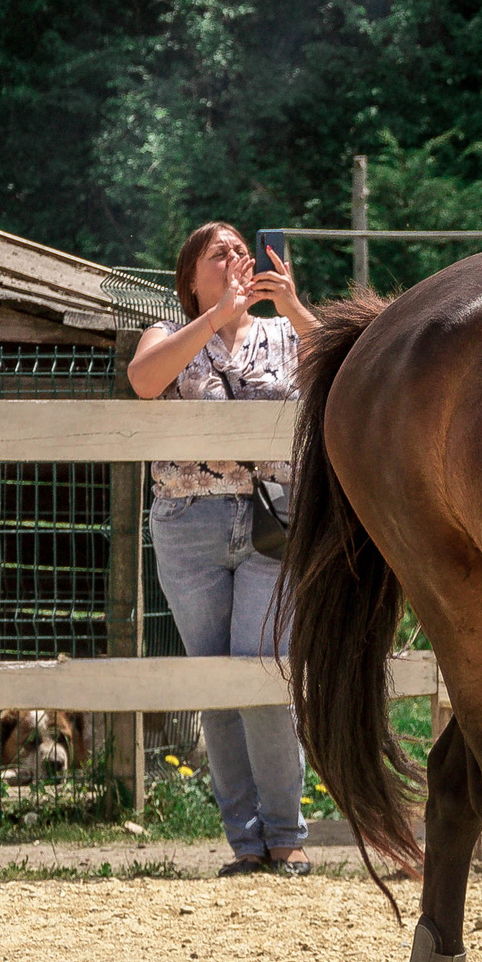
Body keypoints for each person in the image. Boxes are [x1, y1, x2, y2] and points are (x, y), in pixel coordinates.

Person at [128, 221, 321, 875]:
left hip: (274, 519)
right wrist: (214, 318)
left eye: (243, 248)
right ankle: (246, 842)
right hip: (189, 524)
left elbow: (346, 367)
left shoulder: (285, 333)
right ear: (191, 278)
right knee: (216, 682)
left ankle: (285, 834)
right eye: (220, 253)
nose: (237, 257)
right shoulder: (169, 332)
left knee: (262, 671)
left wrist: (292, 303)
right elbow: (144, 380)